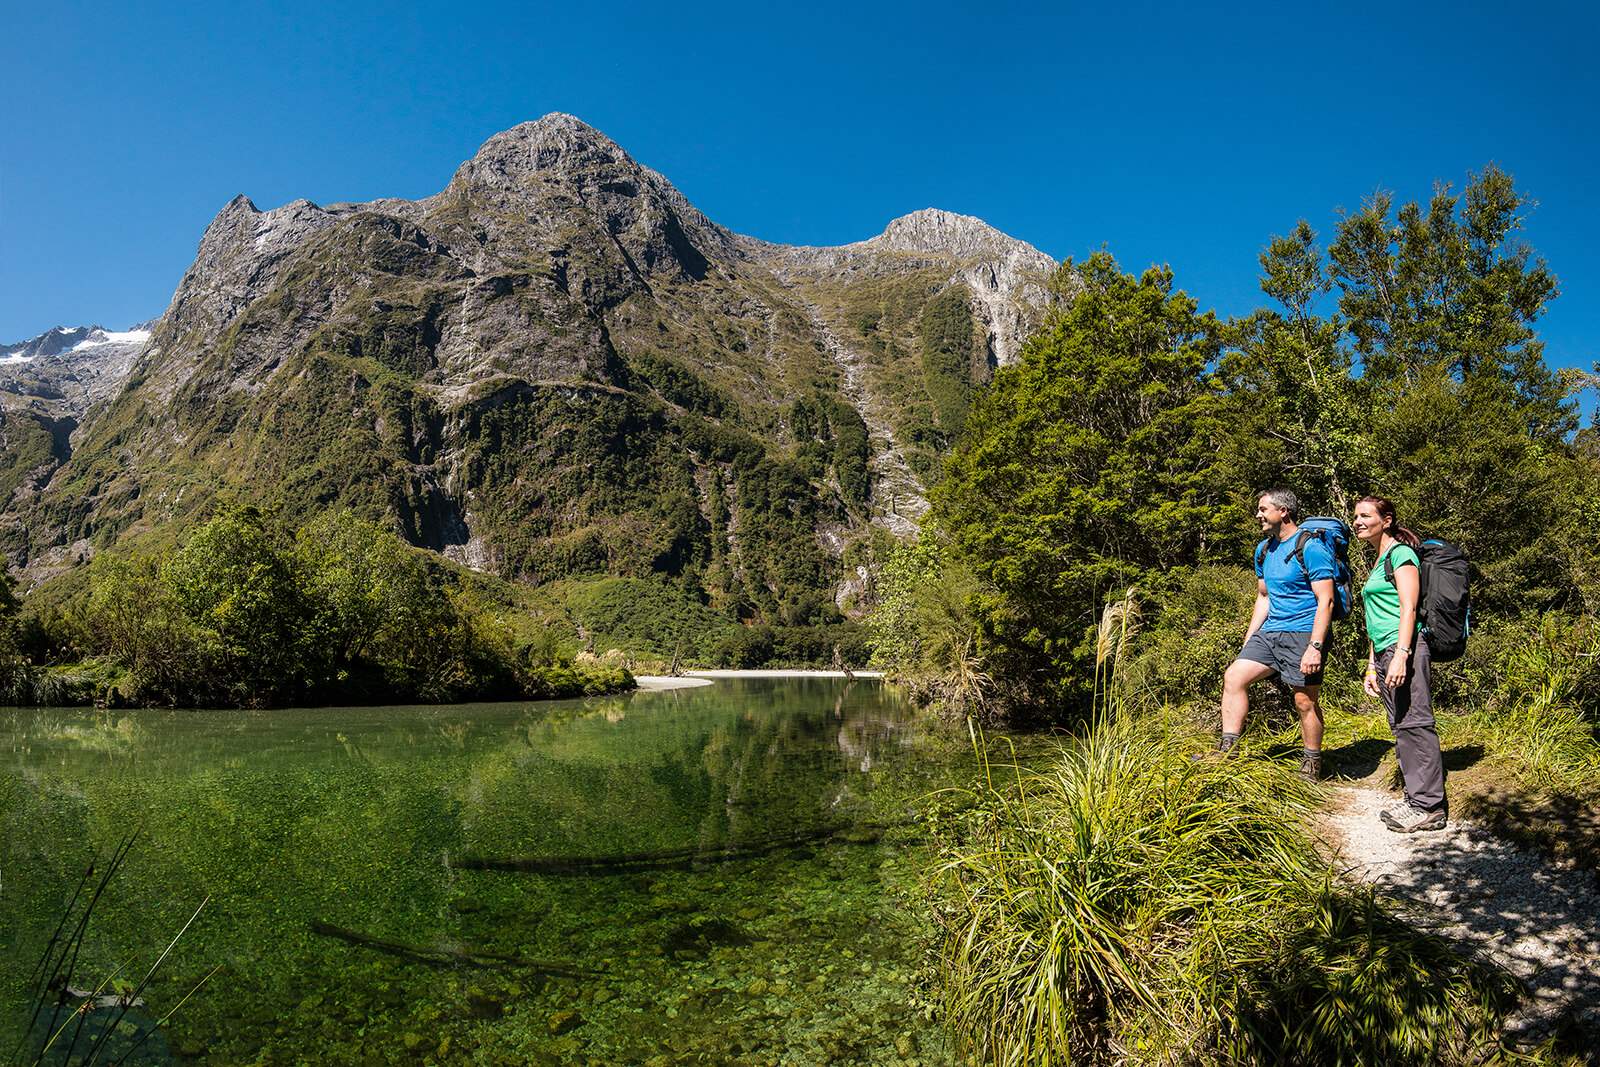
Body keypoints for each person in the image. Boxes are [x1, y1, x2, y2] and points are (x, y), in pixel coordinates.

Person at [1218, 488, 1335, 779]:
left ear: (1283, 511)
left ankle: (1312, 764)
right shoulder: (1264, 550)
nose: (1258, 515)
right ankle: (1226, 752)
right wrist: (1250, 640)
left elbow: (1327, 600)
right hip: (1270, 632)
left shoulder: (1310, 547)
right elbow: (1264, 597)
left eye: (1263, 509)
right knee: (1233, 677)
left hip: (1303, 631)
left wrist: (1315, 646)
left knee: (1304, 701)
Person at [1353, 495, 1447, 832]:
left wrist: (1402, 655)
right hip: (1385, 651)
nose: (1358, 522)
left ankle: (1430, 806)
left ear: (1387, 519)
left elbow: (1408, 609)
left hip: (1404, 647)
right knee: (1401, 726)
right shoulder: (1380, 560)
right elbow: (1377, 619)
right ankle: (1415, 797)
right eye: (1356, 517)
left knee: (1416, 722)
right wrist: (1371, 666)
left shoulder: (1401, 555)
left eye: (1366, 516)